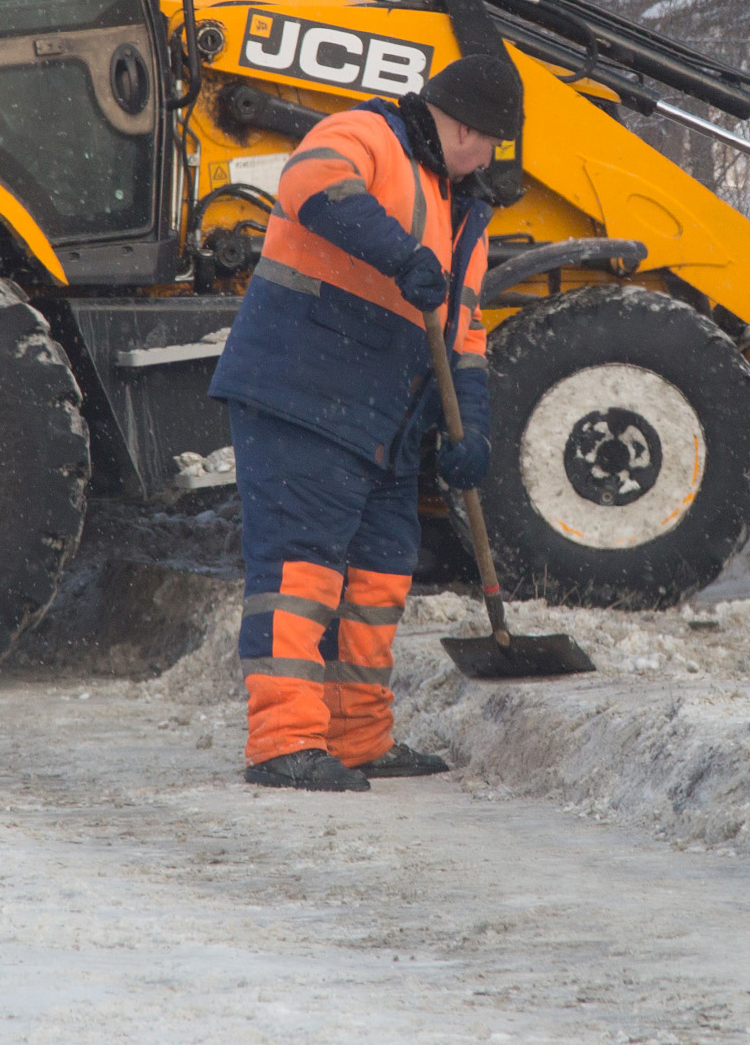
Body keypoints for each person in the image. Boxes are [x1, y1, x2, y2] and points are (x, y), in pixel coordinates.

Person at [207, 50, 526, 790]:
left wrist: (467, 431)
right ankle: (283, 741)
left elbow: (466, 334)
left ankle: (357, 736)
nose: (485, 154)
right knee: (300, 569)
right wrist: (399, 254)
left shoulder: (464, 209)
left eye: (492, 143)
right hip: (302, 390)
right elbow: (310, 182)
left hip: (386, 417)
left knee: (379, 576)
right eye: (479, 136)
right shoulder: (366, 133)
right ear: (449, 118)